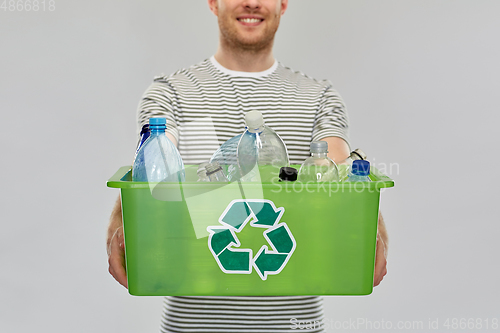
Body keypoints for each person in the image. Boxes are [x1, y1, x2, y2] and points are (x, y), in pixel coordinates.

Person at [107, 0, 388, 332]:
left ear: (283, 3)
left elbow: (340, 168)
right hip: (194, 324)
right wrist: (119, 225)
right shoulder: (172, 93)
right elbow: (152, 166)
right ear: (213, 3)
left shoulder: (318, 97)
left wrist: (375, 229)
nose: (252, 2)